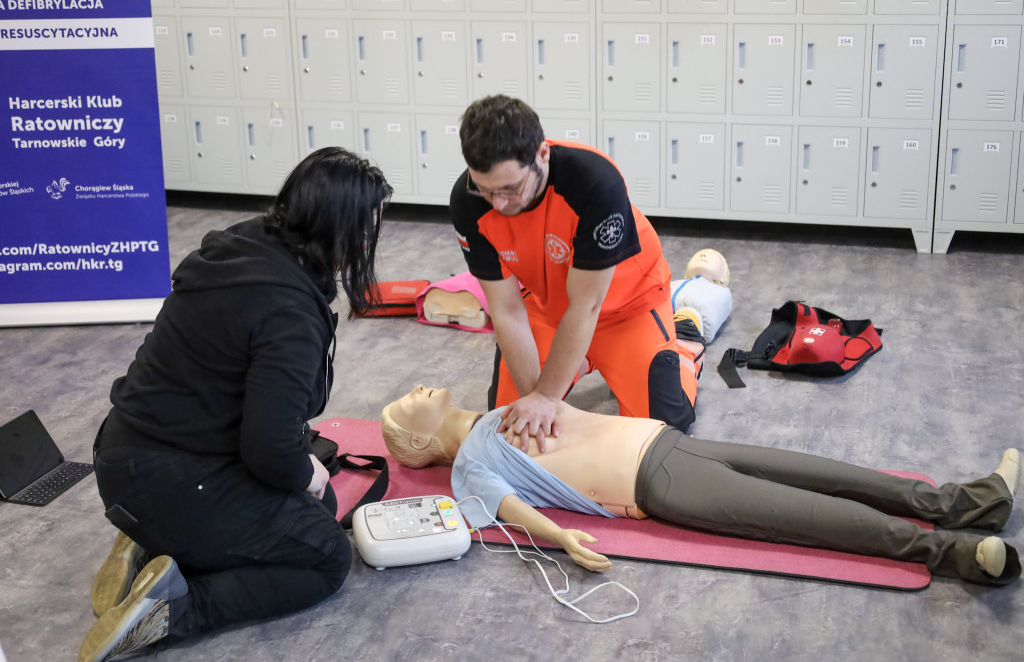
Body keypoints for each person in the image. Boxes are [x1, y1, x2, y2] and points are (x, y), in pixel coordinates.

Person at [80, 147, 393, 662]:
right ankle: (173, 612)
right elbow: (269, 448)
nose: (367, 244)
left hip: (124, 453)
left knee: (317, 481)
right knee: (323, 554)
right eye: (365, 231)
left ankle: (154, 542)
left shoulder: (245, 244)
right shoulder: (288, 311)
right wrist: (303, 473)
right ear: (337, 228)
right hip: (170, 477)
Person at [380, 385, 1021, 586]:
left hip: (669, 442)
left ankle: (967, 502)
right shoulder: (468, 468)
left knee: (826, 473)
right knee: (809, 514)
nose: (415, 392)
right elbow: (510, 510)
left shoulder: (504, 401)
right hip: (655, 483)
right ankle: (958, 555)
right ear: (416, 443)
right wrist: (565, 538)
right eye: (406, 405)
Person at [450, 95, 725, 450]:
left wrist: (548, 397)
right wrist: (534, 398)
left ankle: (685, 345)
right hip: (548, 309)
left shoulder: (595, 182)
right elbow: (505, 309)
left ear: (542, 155)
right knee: (509, 426)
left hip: (627, 308)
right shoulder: (467, 201)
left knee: (663, 437)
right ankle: (578, 363)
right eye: (485, 190)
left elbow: (587, 306)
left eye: (510, 189)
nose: (498, 204)